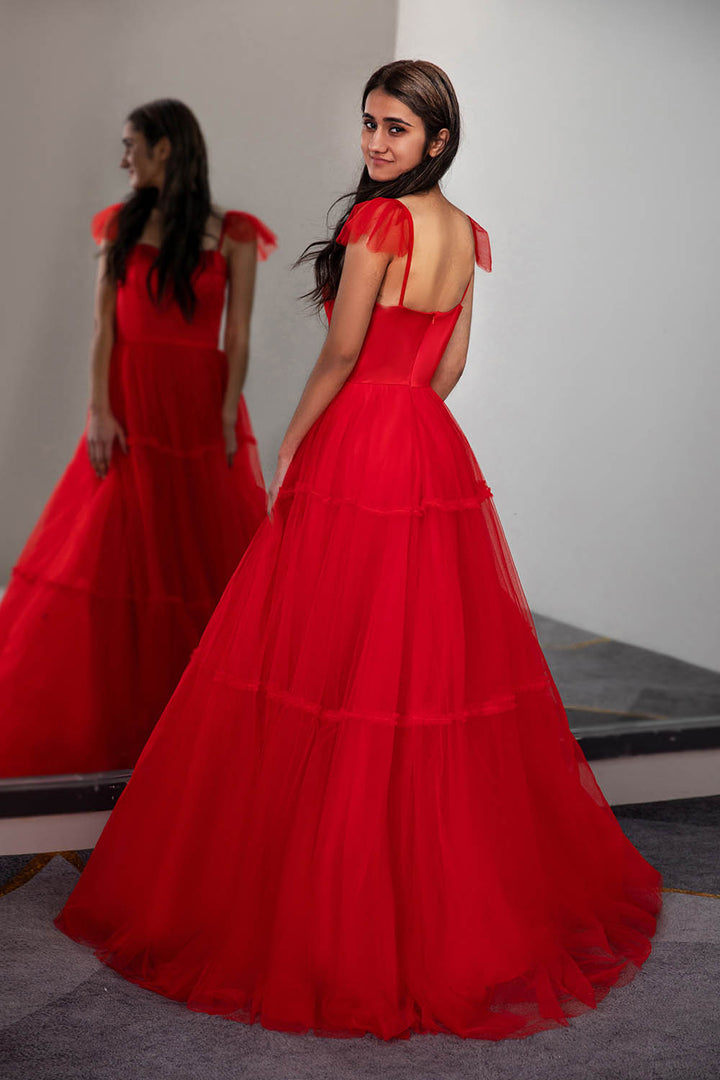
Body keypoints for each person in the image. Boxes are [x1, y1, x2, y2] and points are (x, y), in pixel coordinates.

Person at [56, 64, 661, 1040]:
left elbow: (339, 354)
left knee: (322, 653)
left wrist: (299, 442)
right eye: (371, 124)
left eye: (396, 128)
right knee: (419, 665)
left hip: (359, 442)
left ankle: (326, 881)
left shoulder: (379, 226)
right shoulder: (469, 236)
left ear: (436, 139)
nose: (376, 142)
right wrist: (407, 417)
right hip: (426, 442)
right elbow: (453, 363)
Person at [0, 99, 276, 777]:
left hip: (198, 408)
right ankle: (107, 727)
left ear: (165, 149)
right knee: (112, 555)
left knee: (198, 560)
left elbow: (237, 333)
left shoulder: (233, 234)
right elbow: (104, 326)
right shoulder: (118, 224)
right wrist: (98, 410)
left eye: (131, 146)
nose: (123, 160)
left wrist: (223, 413)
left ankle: (193, 735)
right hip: (129, 404)